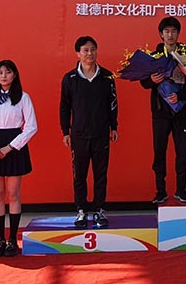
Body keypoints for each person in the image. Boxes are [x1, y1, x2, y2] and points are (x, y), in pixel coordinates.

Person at [59, 36, 119, 228]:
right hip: (78, 135)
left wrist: (114, 126)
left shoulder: (107, 77)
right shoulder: (70, 78)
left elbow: (113, 104)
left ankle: (99, 210)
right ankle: (81, 211)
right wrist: (65, 131)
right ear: (78, 53)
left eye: (93, 49)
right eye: (85, 50)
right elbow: (64, 106)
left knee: (101, 174)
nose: (90, 53)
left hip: (101, 133)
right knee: (80, 175)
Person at [0, 60, 37, 257]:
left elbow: (31, 126)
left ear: (15, 75)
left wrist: (10, 146)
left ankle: (13, 239)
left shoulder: (23, 97)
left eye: (8, 72)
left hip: (15, 144)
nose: (4, 76)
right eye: (0, 73)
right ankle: (0, 240)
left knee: (13, 193)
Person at [141, 16, 186, 204]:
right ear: (161, 34)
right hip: (160, 113)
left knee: (182, 152)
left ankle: (182, 190)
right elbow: (144, 82)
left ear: (178, 33)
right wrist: (151, 80)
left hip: (181, 112)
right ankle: (160, 190)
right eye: (167, 31)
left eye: (174, 31)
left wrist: (180, 96)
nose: (170, 34)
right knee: (159, 151)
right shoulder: (154, 56)